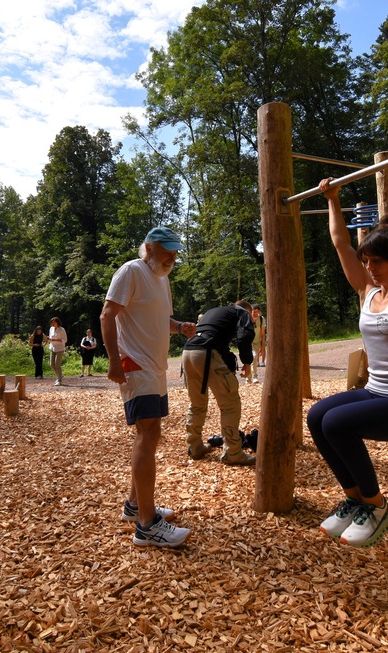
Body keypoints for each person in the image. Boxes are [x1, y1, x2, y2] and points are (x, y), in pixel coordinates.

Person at [307, 141, 388, 549]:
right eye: (367, 263)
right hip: (377, 391)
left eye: (377, 262)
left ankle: (378, 507)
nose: (369, 268)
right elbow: (340, 244)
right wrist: (333, 200)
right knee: (316, 417)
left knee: (337, 423)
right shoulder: (368, 291)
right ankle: (354, 500)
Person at [101, 226, 196, 548]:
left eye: (174, 251)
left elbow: (159, 320)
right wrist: (114, 361)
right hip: (135, 364)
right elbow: (107, 314)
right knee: (147, 431)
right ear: (149, 248)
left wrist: (179, 326)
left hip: (156, 368)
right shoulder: (131, 271)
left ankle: (134, 506)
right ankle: (146, 525)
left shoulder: (162, 278)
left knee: (153, 433)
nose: (172, 256)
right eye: (166, 250)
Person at [182, 301, 256, 465]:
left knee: (197, 404)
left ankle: (195, 447)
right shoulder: (242, 313)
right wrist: (247, 363)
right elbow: (244, 336)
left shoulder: (214, 310)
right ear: (248, 310)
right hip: (207, 352)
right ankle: (233, 452)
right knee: (230, 405)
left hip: (188, 351)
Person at [47, 316, 67, 386]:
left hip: (60, 349)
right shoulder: (51, 329)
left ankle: (59, 380)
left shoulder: (62, 329)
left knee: (57, 364)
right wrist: (48, 339)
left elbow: (65, 340)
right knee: (52, 365)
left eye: (53, 322)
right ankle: (59, 376)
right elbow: (50, 338)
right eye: (51, 322)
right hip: (52, 348)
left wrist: (55, 340)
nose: (52, 323)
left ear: (57, 322)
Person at [248, 305, 266, 383]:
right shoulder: (247, 319)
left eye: (256, 312)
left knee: (254, 357)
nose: (255, 313)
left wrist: (262, 347)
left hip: (256, 343)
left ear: (259, 312)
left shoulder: (262, 320)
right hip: (248, 342)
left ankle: (254, 376)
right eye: (253, 312)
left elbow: (262, 334)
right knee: (249, 358)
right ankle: (248, 378)